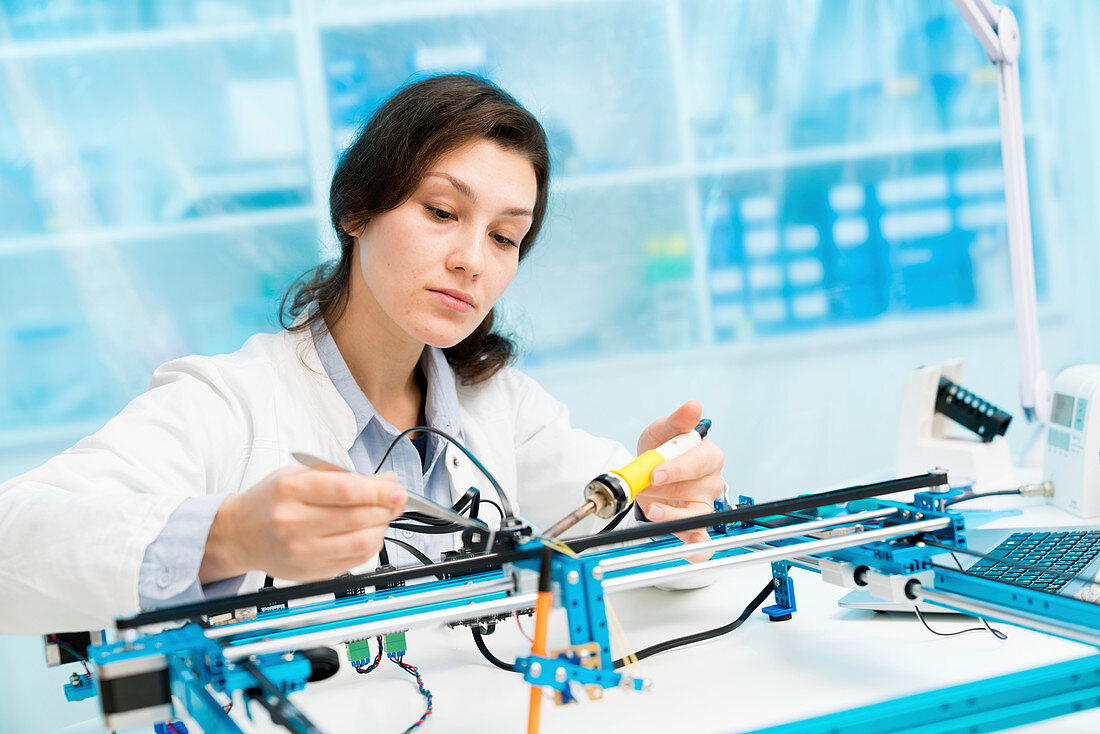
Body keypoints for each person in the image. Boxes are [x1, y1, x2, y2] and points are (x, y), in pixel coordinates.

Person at [0, 74, 724, 635]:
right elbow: (13, 546)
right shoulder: (229, 404)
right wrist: (228, 536)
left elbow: (675, 571)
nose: (473, 260)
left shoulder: (504, 411)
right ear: (357, 210)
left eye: (505, 237)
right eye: (442, 212)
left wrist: (669, 506)